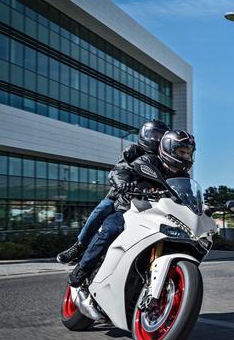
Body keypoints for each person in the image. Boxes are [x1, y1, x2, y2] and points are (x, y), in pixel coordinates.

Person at [67, 130, 196, 287]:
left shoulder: (183, 177)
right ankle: (83, 268)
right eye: (182, 152)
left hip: (158, 215)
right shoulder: (149, 161)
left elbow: (187, 197)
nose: (186, 157)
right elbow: (122, 171)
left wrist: (198, 205)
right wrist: (123, 183)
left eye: (188, 153)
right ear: (169, 149)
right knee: (111, 229)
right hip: (130, 208)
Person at [56, 120, 169, 265]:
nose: (156, 139)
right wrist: (123, 184)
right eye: (153, 135)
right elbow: (119, 169)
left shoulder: (164, 160)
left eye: (160, 136)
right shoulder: (133, 151)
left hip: (145, 203)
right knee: (101, 210)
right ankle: (79, 246)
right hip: (119, 196)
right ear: (144, 135)